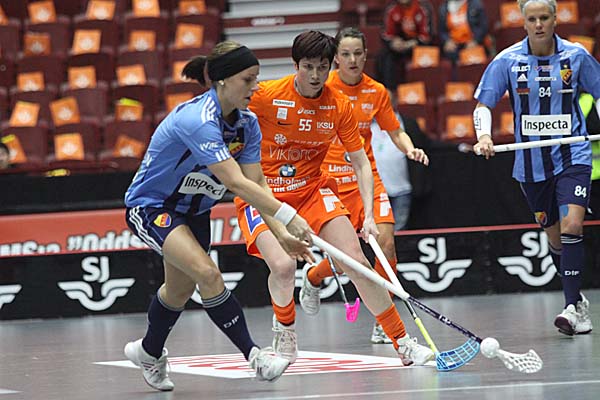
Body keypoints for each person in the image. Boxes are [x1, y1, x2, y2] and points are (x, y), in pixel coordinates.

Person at [122, 41, 316, 391]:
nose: (255, 87)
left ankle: (148, 352)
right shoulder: (197, 120)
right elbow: (235, 182)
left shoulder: (248, 124)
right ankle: (255, 356)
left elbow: (257, 183)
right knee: (208, 274)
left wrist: (282, 234)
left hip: (196, 212)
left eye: (257, 78)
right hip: (153, 206)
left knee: (179, 291)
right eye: (248, 79)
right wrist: (289, 216)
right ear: (223, 80)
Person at [235, 30, 434, 366]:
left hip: (312, 190)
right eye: (308, 67)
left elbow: (361, 162)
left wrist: (368, 215)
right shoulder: (267, 96)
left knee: (356, 261)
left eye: (322, 67)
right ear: (296, 65)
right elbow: (225, 109)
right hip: (266, 193)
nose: (315, 76)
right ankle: (285, 332)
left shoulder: (338, 105)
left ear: (330, 66)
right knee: (283, 266)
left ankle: (402, 342)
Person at [473, 0, 600, 336]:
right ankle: (577, 298)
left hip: (573, 154)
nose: (539, 24)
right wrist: (483, 135)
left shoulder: (576, 56)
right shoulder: (507, 60)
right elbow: (483, 105)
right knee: (555, 238)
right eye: (532, 19)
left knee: (573, 225)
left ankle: (571, 308)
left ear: (555, 19)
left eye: (545, 17)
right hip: (530, 163)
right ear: (524, 22)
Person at [304, 27, 429, 344]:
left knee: (386, 246)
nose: (352, 60)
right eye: (345, 54)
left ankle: (383, 323)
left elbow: (395, 131)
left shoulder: (376, 91)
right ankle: (314, 276)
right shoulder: (322, 88)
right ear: (336, 58)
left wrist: (410, 148)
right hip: (329, 182)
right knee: (348, 260)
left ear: (365, 55)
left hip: (365, 179)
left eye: (358, 53)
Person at [376, 0, 432, 90]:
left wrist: (411, 43)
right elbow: (387, 34)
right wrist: (393, 41)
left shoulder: (423, 8)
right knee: (383, 56)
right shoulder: (392, 8)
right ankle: (389, 90)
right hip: (399, 45)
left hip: (417, 45)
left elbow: (426, 36)